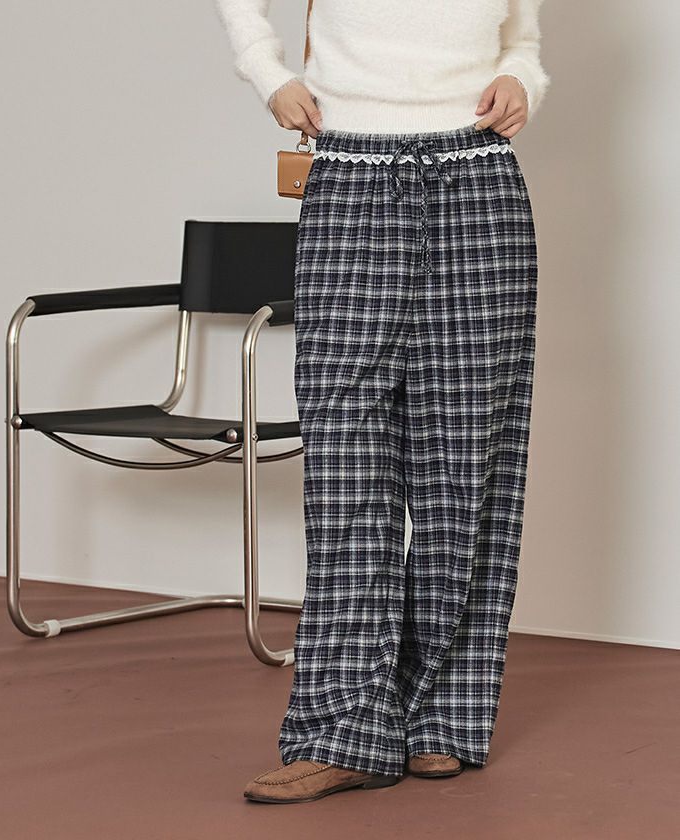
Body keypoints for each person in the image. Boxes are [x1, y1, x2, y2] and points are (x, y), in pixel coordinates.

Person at [215, 0, 549, 804]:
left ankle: (441, 715)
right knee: (346, 467)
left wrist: (522, 78)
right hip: (352, 173)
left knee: (467, 458)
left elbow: (523, 38)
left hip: (479, 178)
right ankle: (345, 731)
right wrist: (266, 71)